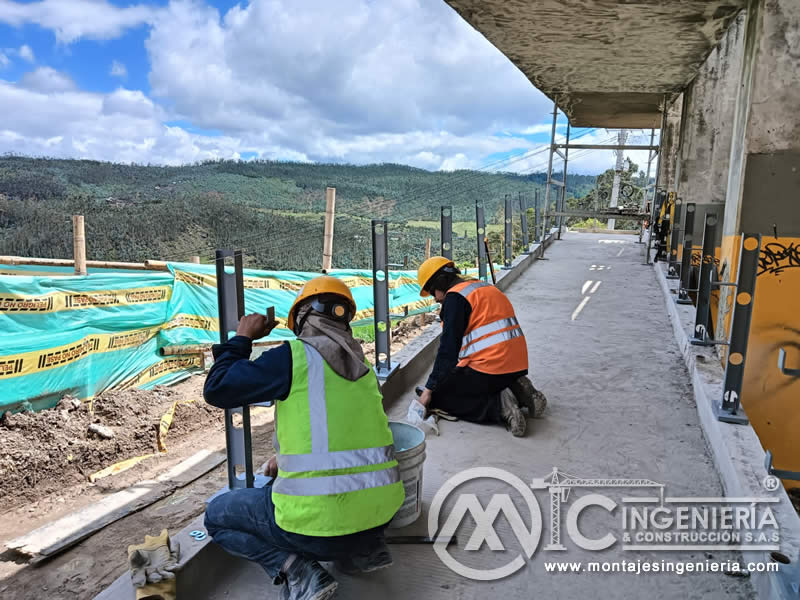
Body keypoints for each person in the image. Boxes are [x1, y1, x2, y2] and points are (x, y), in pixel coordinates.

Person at [203, 276, 405, 600]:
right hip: (380, 518)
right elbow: (341, 434)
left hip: (317, 529)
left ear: (301, 318)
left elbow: (218, 387)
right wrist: (284, 459)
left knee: (216, 516)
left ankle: (297, 570)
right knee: (325, 500)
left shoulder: (293, 357)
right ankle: (363, 552)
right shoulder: (362, 364)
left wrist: (241, 338)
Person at [414, 256, 546, 437]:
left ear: (441, 281)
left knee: (439, 398)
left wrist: (429, 391)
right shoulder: (483, 287)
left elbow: (448, 352)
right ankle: (515, 385)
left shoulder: (455, 299)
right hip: (517, 364)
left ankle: (502, 407)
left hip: (491, 369)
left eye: (431, 291)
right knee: (450, 381)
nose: (435, 298)